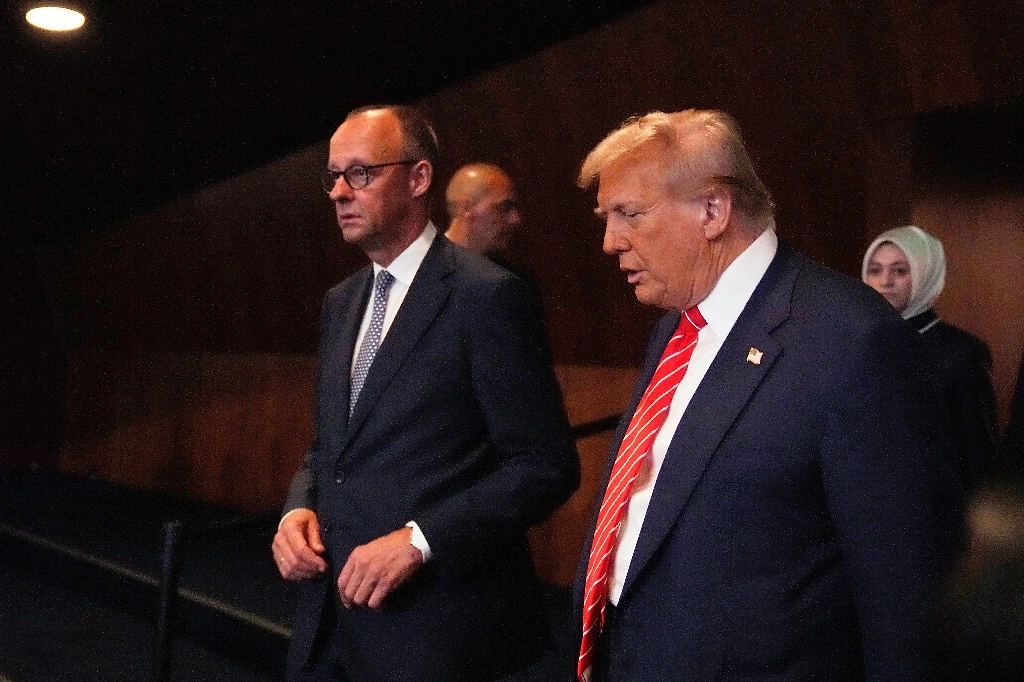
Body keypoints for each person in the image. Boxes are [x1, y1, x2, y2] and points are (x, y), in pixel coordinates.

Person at [572, 109, 962, 681]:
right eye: (606, 218)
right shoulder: (675, 327)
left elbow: (906, 593)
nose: (610, 242)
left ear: (713, 210)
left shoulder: (852, 340)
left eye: (630, 214)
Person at [272, 104, 579, 682]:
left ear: (418, 178)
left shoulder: (486, 296)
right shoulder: (341, 302)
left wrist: (420, 540)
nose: (339, 192)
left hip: (438, 637)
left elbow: (544, 465)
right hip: (329, 630)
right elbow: (332, 448)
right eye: (333, 176)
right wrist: (298, 508)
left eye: (360, 173)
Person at [863, 226, 999, 489]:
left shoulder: (961, 352)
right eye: (875, 270)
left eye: (900, 271)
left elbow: (977, 455)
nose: (885, 281)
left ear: (926, 275)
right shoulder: (857, 342)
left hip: (935, 502)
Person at [445, 162, 522, 260]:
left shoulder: (504, 269)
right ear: (466, 208)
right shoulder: (430, 264)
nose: (515, 219)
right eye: (504, 207)